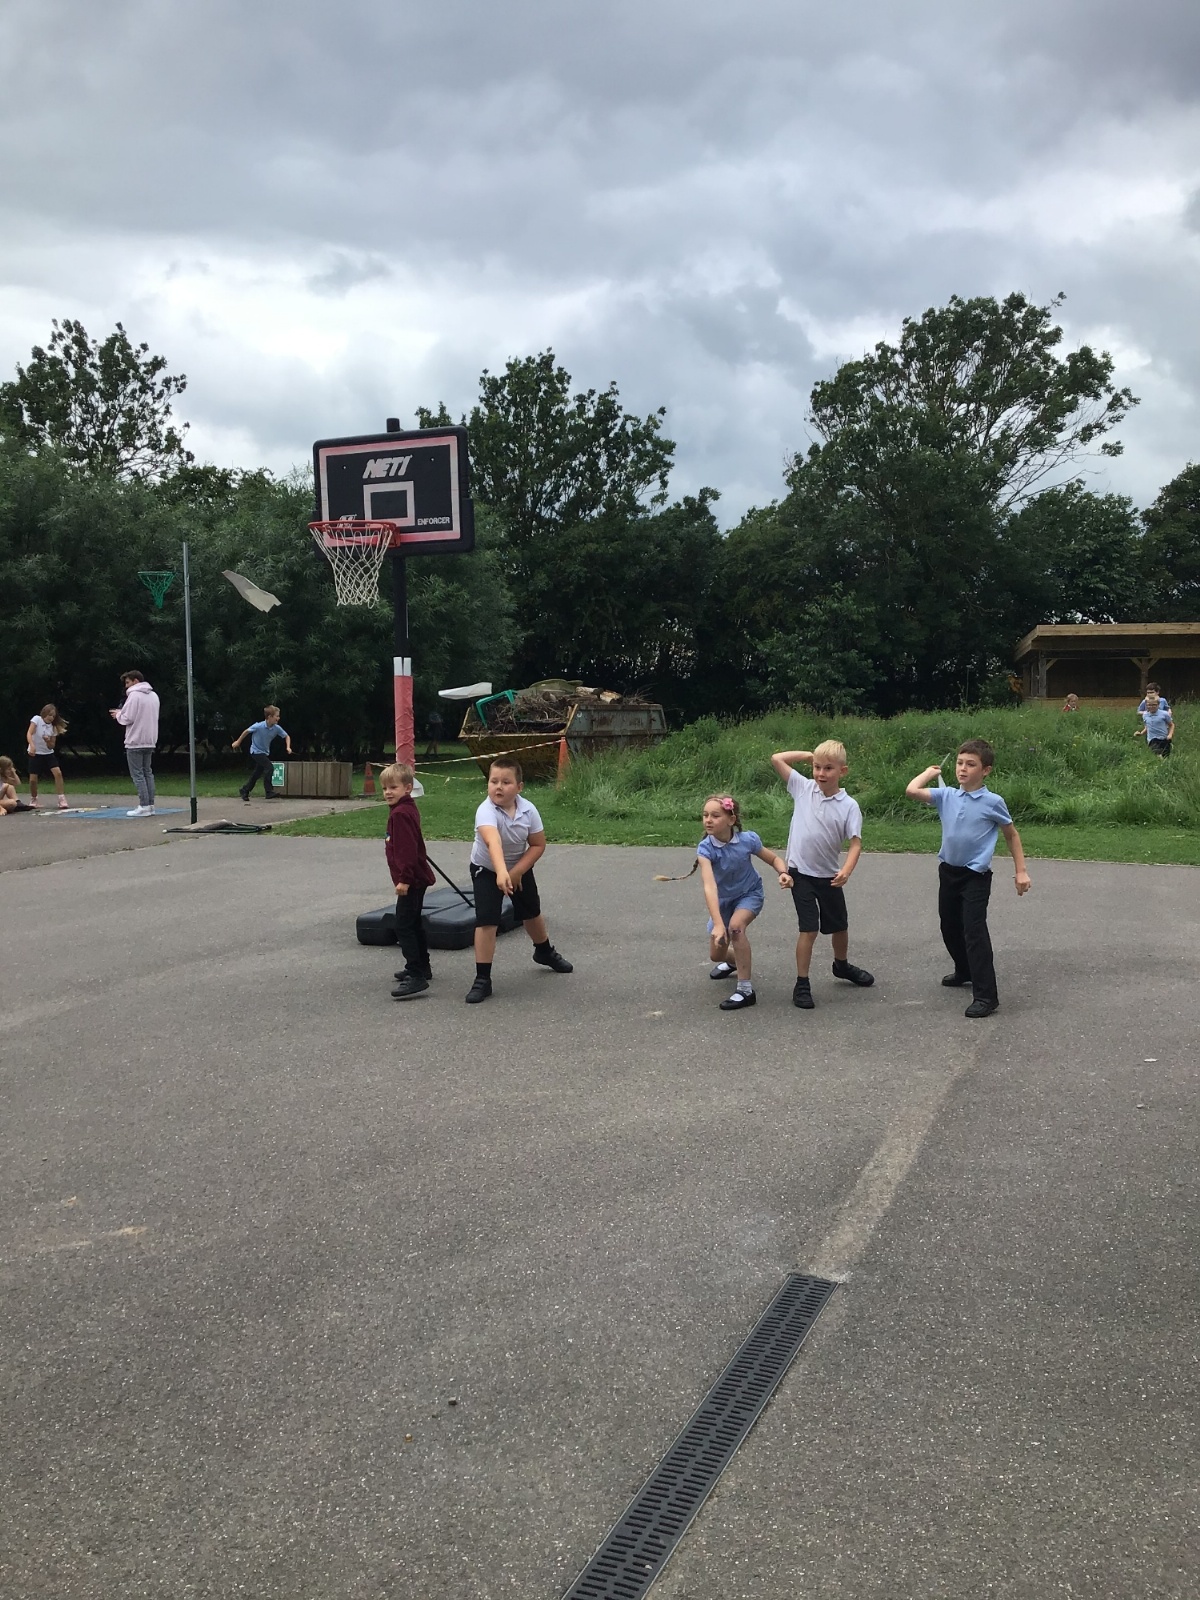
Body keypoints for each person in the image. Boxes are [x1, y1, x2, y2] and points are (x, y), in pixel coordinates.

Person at [906, 738, 1032, 1019]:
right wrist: (928, 773)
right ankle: (964, 969)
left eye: (970, 764)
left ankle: (986, 996)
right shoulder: (947, 795)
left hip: (975, 876)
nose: (962, 769)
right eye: (960, 763)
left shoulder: (993, 802)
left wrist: (1021, 870)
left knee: (974, 932)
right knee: (949, 927)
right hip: (948, 872)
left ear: (985, 770)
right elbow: (911, 791)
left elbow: (1011, 835)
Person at [771, 742, 874, 1009]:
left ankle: (842, 965)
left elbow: (855, 843)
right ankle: (802, 983)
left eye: (828, 768)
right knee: (809, 928)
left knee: (839, 925)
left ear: (842, 771)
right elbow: (777, 758)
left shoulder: (849, 805)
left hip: (828, 875)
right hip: (800, 874)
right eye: (817, 767)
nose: (821, 773)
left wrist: (846, 871)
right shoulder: (803, 788)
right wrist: (809, 755)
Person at [466, 757, 572, 1004]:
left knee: (531, 912)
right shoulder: (485, 810)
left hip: (518, 867)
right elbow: (493, 841)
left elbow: (537, 845)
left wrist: (517, 872)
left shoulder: (528, 810)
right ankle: (483, 979)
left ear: (519, 787)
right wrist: (502, 872)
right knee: (487, 920)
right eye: (493, 781)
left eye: (506, 782)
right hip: (487, 869)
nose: (498, 787)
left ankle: (544, 951)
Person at [694, 794, 791, 1011]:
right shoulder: (705, 849)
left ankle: (745, 990)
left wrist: (783, 872)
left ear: (731, 819)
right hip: (723, 901)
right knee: (716, 954)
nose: (708, 820)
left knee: (736, 928)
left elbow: (774, 858)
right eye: (705, 815)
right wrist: (718, 923)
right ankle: (733, 961)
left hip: (749, 894)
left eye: (715, 816)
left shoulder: (747, 840)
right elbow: (710, 887)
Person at [381, 763, 436, 1001]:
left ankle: (416, 974)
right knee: (412, 922)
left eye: (393, 787)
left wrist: (404, 880)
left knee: (403, 925)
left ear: (408, 788)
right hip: (416, 876)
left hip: (411, 879)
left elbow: (406, 850)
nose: (388, 792)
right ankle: (422, 965)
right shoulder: (405, 808)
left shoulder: (400, 814)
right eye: (385, 788)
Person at [109, 671, 160, 817]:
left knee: (138, 774)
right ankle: (150, 805)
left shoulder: (134, 696)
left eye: (128, 682)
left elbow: (128, 718)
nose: (126, 686)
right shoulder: (153, 695)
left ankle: (143, 806)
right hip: (150, 739)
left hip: (135, 739)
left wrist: (118, 714)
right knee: (147, 773)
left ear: (135, 681)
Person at [231, 705, 292, 800]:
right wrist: (238, 742)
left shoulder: (276, 728)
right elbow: (246, 731)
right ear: (269, 717)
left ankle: (245, 790)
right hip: (255, 751)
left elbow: (287, 736)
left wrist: (288, 747)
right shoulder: (258, 726)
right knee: (269, 767)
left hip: (264, 752)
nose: (278, 718)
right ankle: (268, 792)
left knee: (257, 773)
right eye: (276, 716)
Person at [26, 703, 69, 809]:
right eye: (49, 715)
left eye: (53, 716)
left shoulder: (53, 727)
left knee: (58, 773)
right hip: (35, 753)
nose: (51, 718)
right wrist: (32, 745)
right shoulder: (37, 719)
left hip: (48, 754)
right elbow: (29, 733)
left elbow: (51, 746)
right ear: (44, 713)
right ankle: (34, 798)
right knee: (33, 779)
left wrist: (48, 741)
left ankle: (61, 798)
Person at [1134, 689, 1174, 758]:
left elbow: (1171, 725)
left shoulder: (1164, 714)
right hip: (1152, 739)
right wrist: (1141, 733)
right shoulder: (1145, 715)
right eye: (1149, 705)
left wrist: (1170, 735)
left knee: (1165, 757)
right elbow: (1147, 727)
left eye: (1154, 705)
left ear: (1158, 705)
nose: (1151, 707)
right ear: (1146, 705)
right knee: (1157, 754)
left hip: (1164, 738)